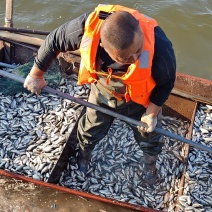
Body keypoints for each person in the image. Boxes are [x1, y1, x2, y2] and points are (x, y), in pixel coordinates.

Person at [24, 4, 176, 186]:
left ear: (140, 34)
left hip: (140, 98)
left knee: (149, 136)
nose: (135, 59)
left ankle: (150, 166)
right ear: (103, 46)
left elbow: (166, 82)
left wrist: (151, 113)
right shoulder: (85, 29)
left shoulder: (158, 44)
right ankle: (84, 157)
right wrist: (36, 75)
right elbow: (54, 41)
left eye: (138, 50)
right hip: (103, 91)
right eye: (126, 58)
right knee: (90, 130)